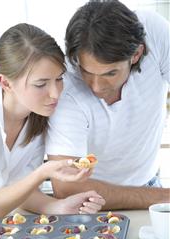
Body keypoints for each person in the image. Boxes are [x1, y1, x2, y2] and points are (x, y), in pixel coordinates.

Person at [0, 23, 105, 220]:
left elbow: (20, 191)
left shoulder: (42, 112)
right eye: (41, 84)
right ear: (6, 83)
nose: (55, 93)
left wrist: (60, 207)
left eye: (59, 79)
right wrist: (44, 172)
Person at [46, 0, 170, 209]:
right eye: (86, 71)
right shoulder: (64, 85)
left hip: (150, 187)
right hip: (91, 201)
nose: (96, 87)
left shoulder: (155, 33)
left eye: (110, 73)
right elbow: (66, 187)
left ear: (136, 54)